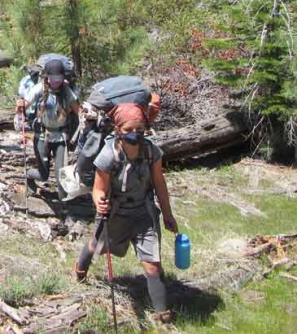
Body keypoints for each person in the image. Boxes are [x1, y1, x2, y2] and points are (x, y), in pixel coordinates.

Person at [73, 102, 177, 324]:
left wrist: (168, 215)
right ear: (118, 129)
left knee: (152, 264)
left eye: (139, 129)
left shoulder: (151, 151)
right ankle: (81, 269)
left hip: (143, 213)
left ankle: (162, 313)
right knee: (96, 245)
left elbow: (159, 183)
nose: (135, 134)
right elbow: (99, 189)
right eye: (129, 130)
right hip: (115, 213)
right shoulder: (109, 154)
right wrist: (99, 202)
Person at [17, 59, 80, 198]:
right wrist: (21, 106)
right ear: (47, 77)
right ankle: (29, 175)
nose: (56, 82)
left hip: (61, 137)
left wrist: (86, 116)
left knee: (61, 174)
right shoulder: (39, 89)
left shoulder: (66, 90)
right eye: (53, 79)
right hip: (42, 136)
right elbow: (25, 104)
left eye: (59, 79)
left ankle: (64, 209)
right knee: (43, 175)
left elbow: (78, 110)